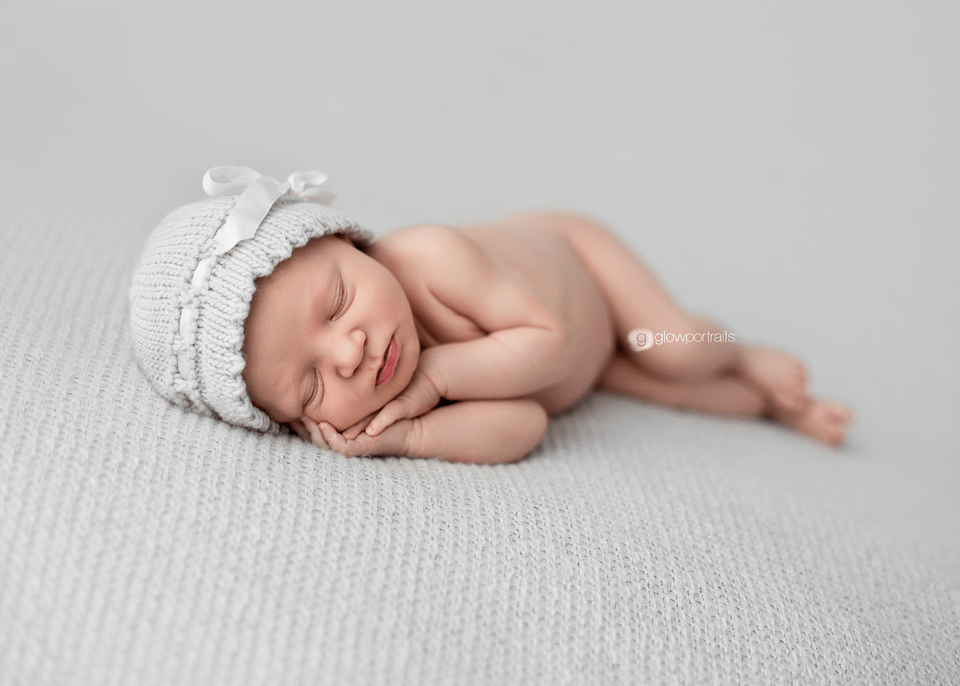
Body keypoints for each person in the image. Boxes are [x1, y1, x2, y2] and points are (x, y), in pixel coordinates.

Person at [130, 166, 853, 464]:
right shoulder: (388, 404)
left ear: (352, 242)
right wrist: (411, 432)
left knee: (669, 353)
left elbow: (549, 339)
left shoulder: (433, 258)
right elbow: (527, 422)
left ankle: (738, 352)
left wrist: (437, 376)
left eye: (338, 303)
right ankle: (777, 408)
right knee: (660, 391)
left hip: (584, 278)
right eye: (312, 388)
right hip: (580, 375)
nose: (347, 355)